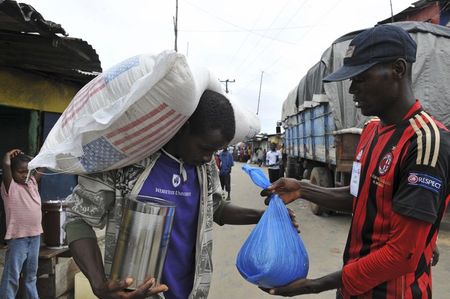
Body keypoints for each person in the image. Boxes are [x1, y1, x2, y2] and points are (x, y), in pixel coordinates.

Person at [262, 24, 449, 298]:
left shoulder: (426, 142)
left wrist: (313, 285)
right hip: (354, 287)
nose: (351, 90)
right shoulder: (372, 131)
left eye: (360, 78)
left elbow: (403, 254)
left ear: (398, 69)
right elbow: (360, 197)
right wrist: (303, 189)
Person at [65, 90, 271, 299]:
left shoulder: (205, 168)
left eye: (214, 151)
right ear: (183, 128)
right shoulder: (127, 161)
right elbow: (78, 219)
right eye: (204, 147)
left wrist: (263, 216)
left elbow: (215, 208)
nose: (208, 157)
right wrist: (99, 283)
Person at [0, 149, 43, 299]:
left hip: (35, 237)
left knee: (31, 277)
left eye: (28, 171)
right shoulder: (10, 187)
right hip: (18, 239)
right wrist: (7, 156)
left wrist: (32, 160)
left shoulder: (32, 183)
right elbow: (5, 165)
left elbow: (41, 163)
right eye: (20, 171)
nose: (25, 174)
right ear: (12, 172)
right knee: (12, 276)